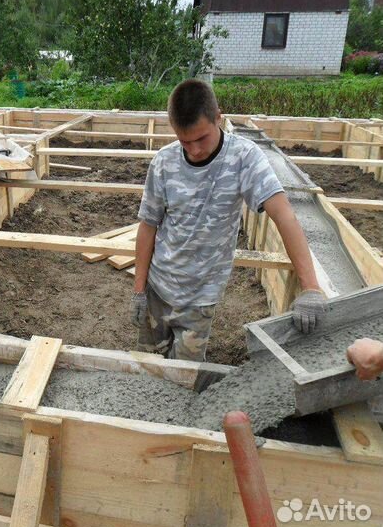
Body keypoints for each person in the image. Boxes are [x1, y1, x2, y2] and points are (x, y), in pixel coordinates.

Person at [130, 78, 326, 363]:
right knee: (148, 365)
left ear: (218, 119)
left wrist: (310, 287)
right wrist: (139, 289)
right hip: (157, 288)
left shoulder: (243, 158)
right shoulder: (163, 162)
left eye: (201, 138)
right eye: (185, 141)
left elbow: (284, 215)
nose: (194, 149)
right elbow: (148, 226)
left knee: (184, 375)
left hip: (200, 298)